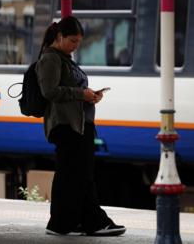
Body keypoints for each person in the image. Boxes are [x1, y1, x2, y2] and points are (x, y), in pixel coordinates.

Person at [35, 16, 126, 236]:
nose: (76, 46)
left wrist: (90, 96)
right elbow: (49, 91)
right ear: (60, 37)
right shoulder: (51, 59)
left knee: (75, 175)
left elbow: (69, 89)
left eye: (79, 42)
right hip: (66, 126)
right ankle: (90, 222)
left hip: (78, 124)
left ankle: (68, 222)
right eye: (73, 41)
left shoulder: (65, 59)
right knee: (76, 175)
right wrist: (81, 94)